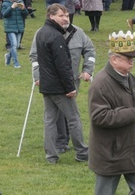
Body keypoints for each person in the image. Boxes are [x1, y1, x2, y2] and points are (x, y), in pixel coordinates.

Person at [88, 32, 135, 195]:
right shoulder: (100, 84)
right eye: (128, 59)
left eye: (132, 59)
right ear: (114, 59)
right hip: (109, 152)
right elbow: (99, 116)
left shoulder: (131, 79)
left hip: (134, 149)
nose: (132, 62)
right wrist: (134, 113)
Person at [30, 18, 96, 156]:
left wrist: (88, 70)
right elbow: (34, 57)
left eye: (67, 14)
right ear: (51, 16)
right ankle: (73, 148)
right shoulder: (42, 33)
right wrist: (37, 76)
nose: (65, 18)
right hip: (56, 83)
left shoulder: (79, 32)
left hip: (71, 81)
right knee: (69, 116)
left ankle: (54, 152)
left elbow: (90, 50)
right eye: (61, 15)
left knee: (54, 116)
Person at [2, 0, 28, 68]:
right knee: (13, 45)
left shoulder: (21, 2)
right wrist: (11, 8)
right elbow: (4, 14)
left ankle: (8, 56)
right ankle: (16, 63)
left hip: (19, 27)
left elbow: (25, 15)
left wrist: (24, 9)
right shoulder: (5, 3)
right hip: (10, 27)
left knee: (16, 46)